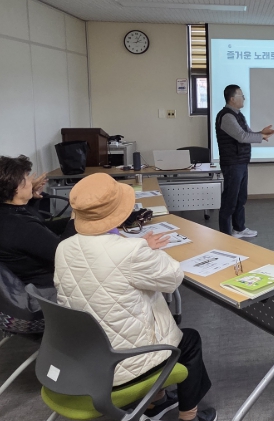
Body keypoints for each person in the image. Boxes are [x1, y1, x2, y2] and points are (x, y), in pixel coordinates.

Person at [54, 173, 215, 421]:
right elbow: (173, 278)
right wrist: (145, 250)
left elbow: (105, 262)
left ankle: (156, 402)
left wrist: (137, 247)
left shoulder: (63, 247)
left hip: (87, 357)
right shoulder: (130, 251)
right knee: (190, 340)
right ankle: (189, 415)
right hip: (124, 366)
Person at [0, 155, 75, 288]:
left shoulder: (8, 212)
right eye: (27, 177)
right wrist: (74, 219)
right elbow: (64, 254)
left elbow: (41, 228)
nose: (31, 181)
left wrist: (74, 220)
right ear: (16, 187)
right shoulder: (21, 226)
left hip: (23, 283)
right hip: (44, 290)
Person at [215, 84, 274, 238]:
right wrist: (260, 136)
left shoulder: (238, 115)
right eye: (241, 96)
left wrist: (261, 133)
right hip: (232, 163)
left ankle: (239, 229)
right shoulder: (227, 116)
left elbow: (247, 133)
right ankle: (225, 235)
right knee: (230, 200)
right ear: (232, 99)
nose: (244, 98)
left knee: (240, 198)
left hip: (241, 162)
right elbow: (242, 137)